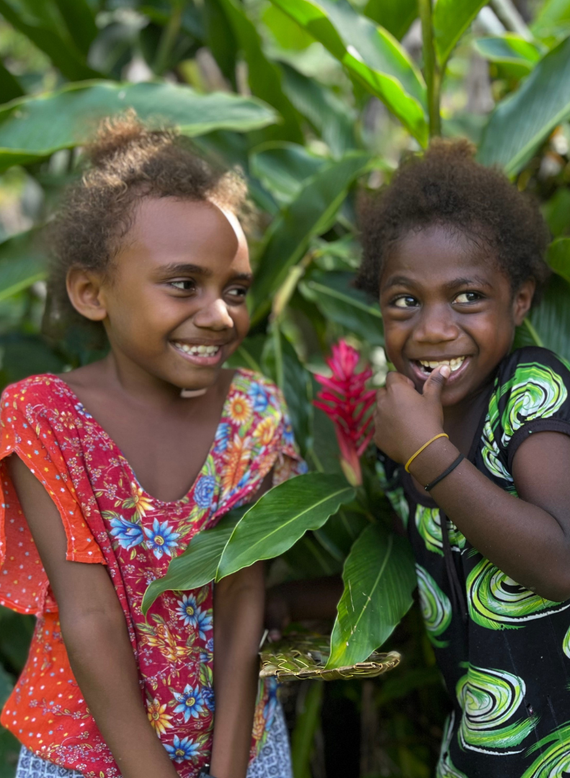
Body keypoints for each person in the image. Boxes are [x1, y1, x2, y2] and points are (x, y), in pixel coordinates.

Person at [324, 138, 570, 776]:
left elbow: (562, 562)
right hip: (480, 754)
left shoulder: (532, 394)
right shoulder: (401, 431)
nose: (431, 328)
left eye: (467, 298)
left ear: (522, 301)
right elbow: (413, 577)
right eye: (405, 301)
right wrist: (291, 604)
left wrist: (429, 454)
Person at [0, 113, 301, 778]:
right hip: (84, 753)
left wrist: (228, 771)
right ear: (91, 292)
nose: (220, 314)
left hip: (245, 744)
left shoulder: (253, 413)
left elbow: (242, 594)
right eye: (184, 284)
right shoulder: (45, 418)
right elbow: (89, 616)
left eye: (236, 289)